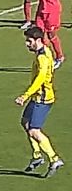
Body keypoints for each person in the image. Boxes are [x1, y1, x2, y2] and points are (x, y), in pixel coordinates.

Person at [16, 26, 64, 177]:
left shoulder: (42, 58)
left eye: (29, 41)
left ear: (37, 40)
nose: (27, 44)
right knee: (25, 122)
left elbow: (40, 79)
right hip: (38, 96)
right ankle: (37, 156)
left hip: (42, 98)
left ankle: (54, 159)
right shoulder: (44, 51)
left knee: (34, 130)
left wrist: (25, 96)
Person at [30, 0, 64, 68]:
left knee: (51, 34)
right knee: (38, 33)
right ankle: (45, 57)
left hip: (51, 9)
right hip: (42, 7)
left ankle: (59, 57)